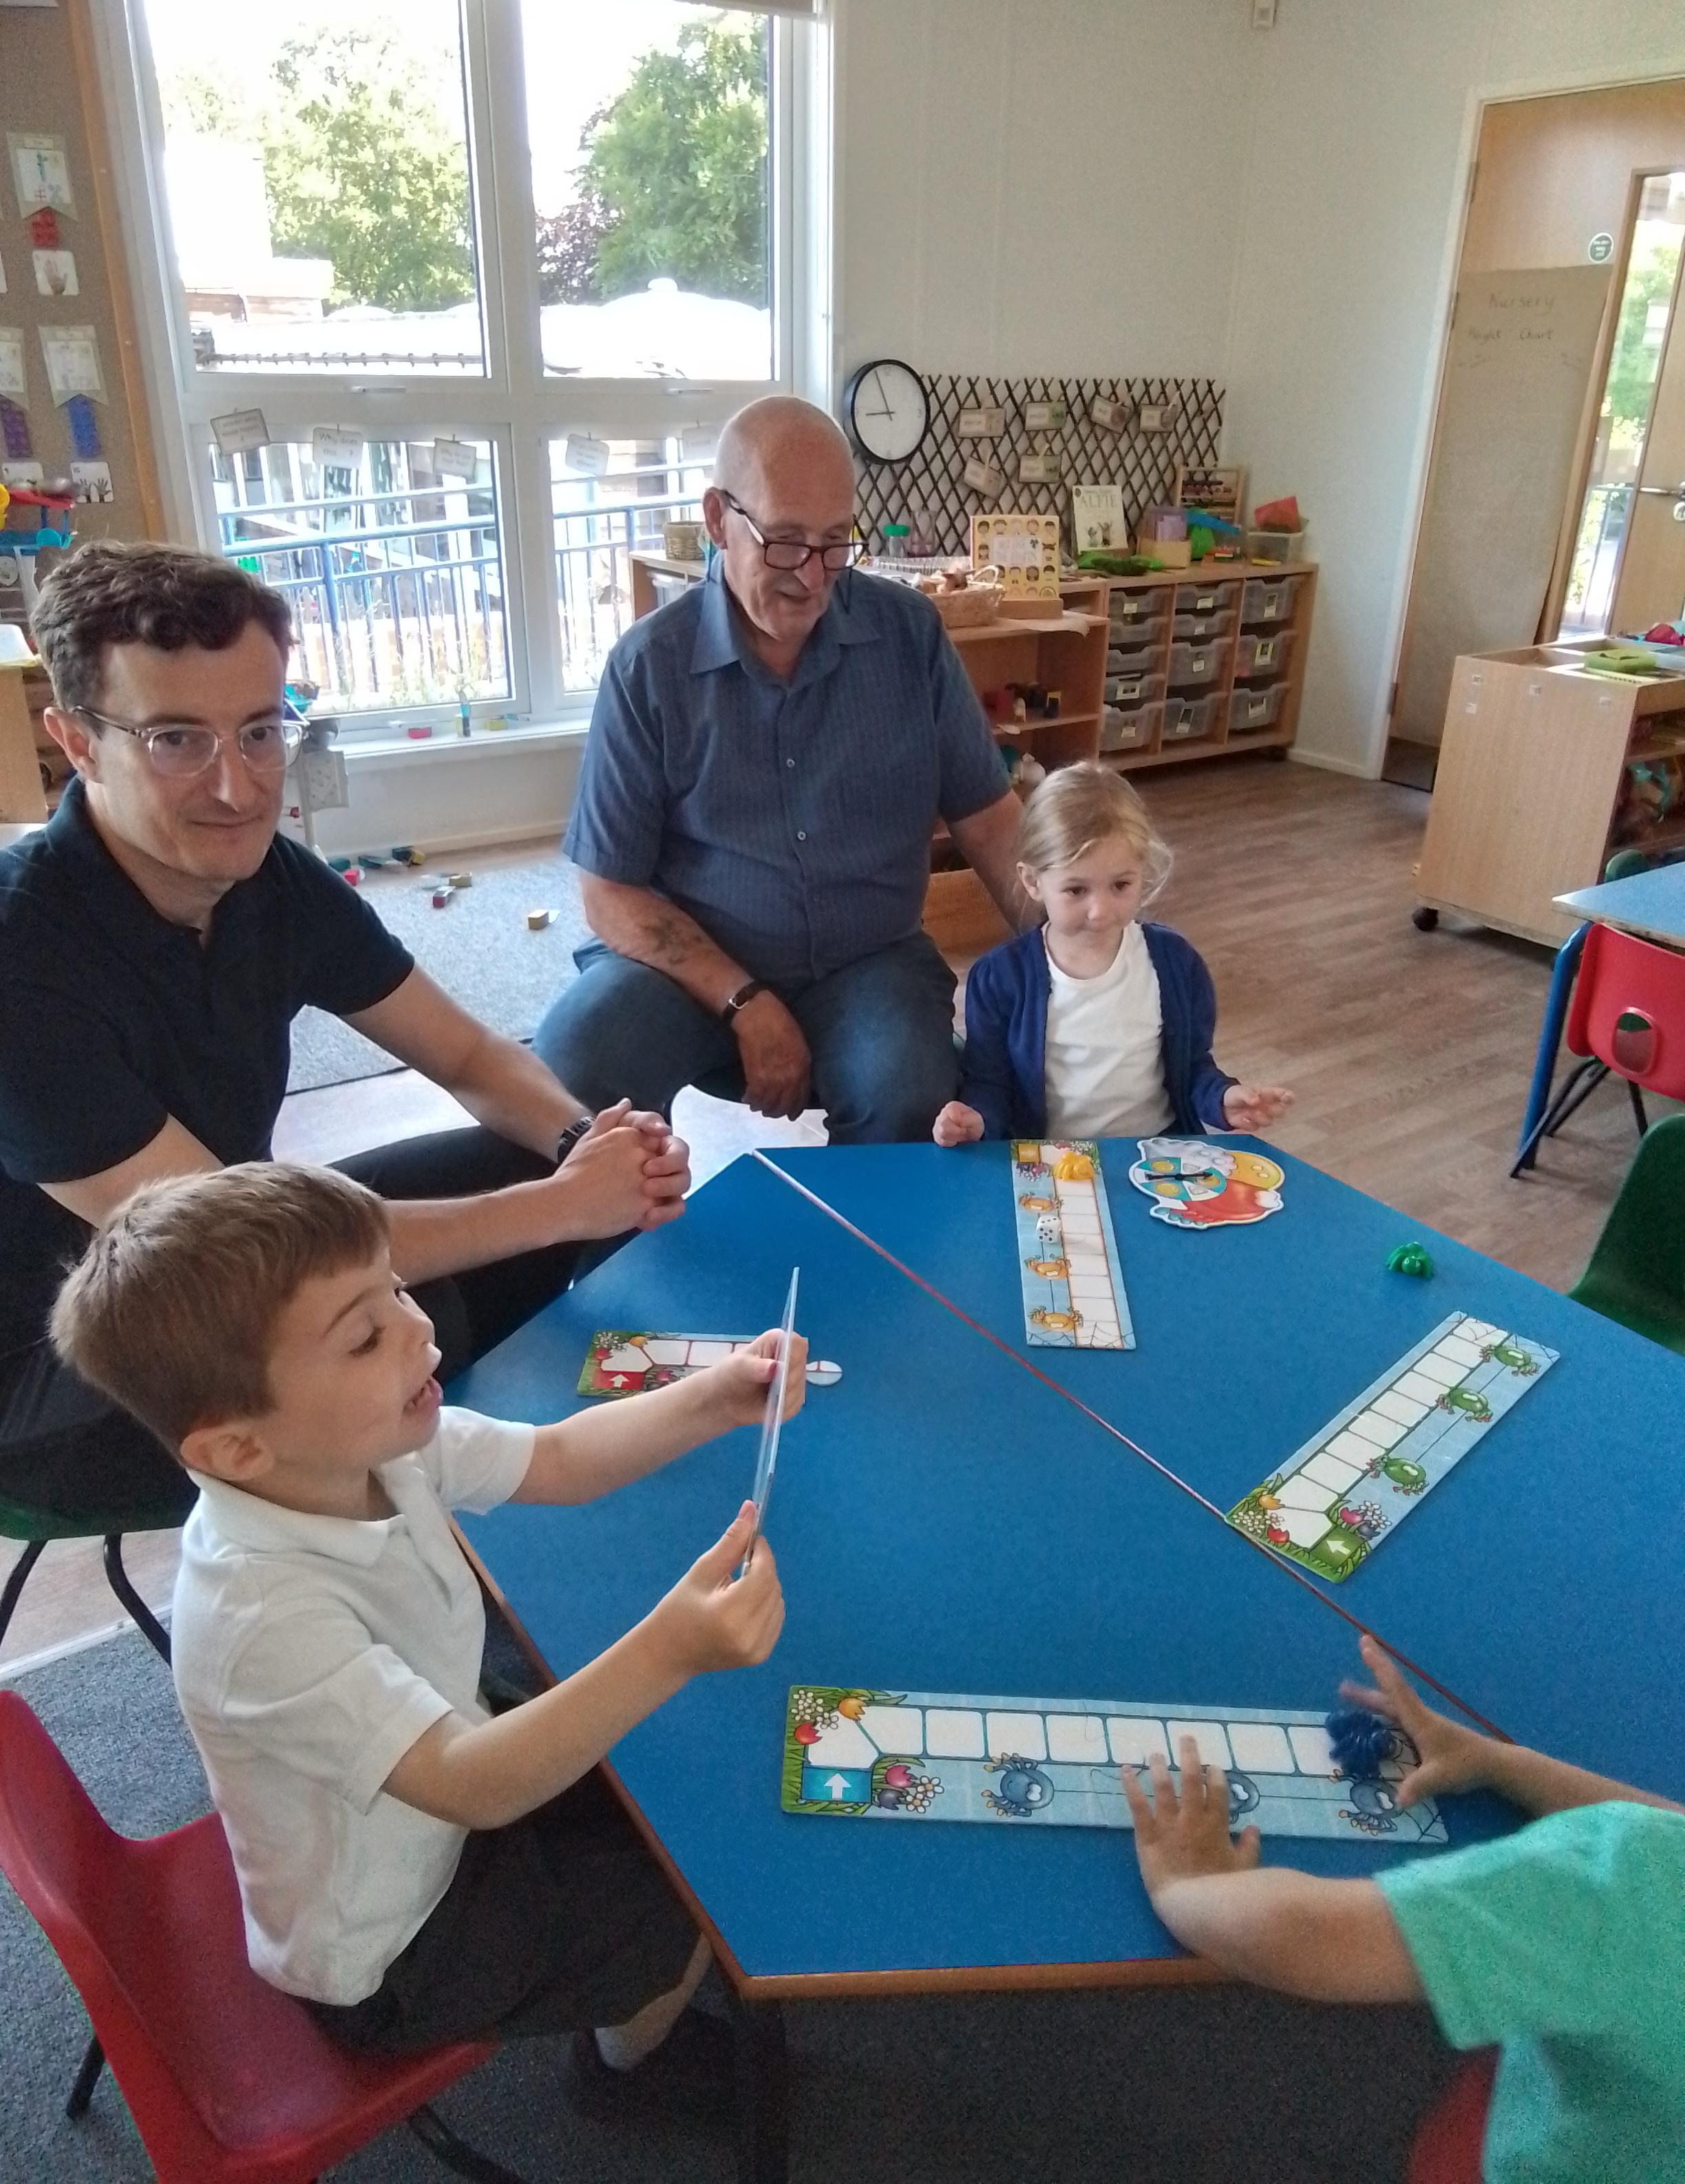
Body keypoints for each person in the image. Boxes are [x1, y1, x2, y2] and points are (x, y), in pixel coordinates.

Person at [50, 1161, 797, 2102]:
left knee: (668, 1797)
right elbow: (474, 1784)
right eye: (365, 1336)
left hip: (439, 1785)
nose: (418, 1329)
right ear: (238, 1446)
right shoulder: (259, 1617)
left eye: (396, 1289)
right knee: (684, 1907)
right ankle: (624, 2071)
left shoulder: (376, 1445)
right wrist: (671, 1647)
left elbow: (559, 1458)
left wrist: (718, 1396)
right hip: (390, 1946)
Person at [0, 541, 688, 1527]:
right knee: (397, 1343)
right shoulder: (22, 957)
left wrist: (585, 1147)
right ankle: (477, 1544)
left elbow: (467, 1055)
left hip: (244, 1253)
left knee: (511, 1182)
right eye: (176, 740)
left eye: (259, 731)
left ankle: (515, 1483)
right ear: (76, 742)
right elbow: (229, 1256)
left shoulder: (269, 881)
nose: (239, 788)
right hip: (66, 1373)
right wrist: (562, 1206)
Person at [535, 396, 1029, 1144]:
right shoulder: (649, 667)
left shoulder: (909, 637)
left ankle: (854, 1227)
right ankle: (634, 1221)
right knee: (573, 1062)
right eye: (786, 542)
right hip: (691, 976)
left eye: (835, 544)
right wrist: (744, 1001)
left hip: (869, 963)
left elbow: (991, 822)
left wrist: (1085, 947)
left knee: (911, 1096)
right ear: (717, 519)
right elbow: (608, 891)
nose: (812, 576)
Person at [1124, 1635, 1685, 2183]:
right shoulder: (1641, 1871)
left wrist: (1184, 1885)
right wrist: (1502, 1764)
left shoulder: (1612, 1889)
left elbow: (1302, 1936)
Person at [931, 761, 1292, 1147]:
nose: (1100, 912)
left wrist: (1222, 1098)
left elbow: (1193, 1067)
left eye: (1120, 885)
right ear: (1033, 881)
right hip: (1051, 1161)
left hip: (1158, 1153)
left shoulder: (1176, 962)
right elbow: (989, 1084)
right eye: (1076, 890)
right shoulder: (999, 978)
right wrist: (976, 1120)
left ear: (1142, 871)